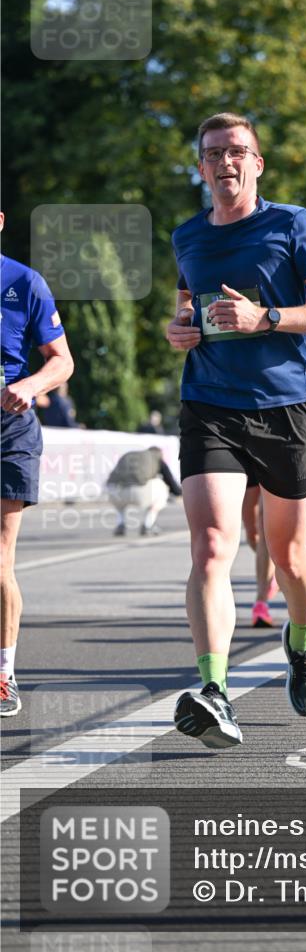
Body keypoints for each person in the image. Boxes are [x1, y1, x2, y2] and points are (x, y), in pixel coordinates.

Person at [166, 112, 306, 749]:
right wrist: (178, 330)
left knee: (288, 556)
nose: (226, 161)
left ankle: (300, 640)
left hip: (285, 406)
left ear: (257, 163)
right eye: (213, 152)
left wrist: (265, 317)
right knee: (211, 546)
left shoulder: (291, 224)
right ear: (201, 167)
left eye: (237, 151)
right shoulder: (187, 235)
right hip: (209, 403)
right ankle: (215, 691)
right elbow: (185, 306)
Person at [1, 211, 74, 716]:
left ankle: (3, 675)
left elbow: (62, 360)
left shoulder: (24, 282)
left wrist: (30, 385)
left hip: (8, 429)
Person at [244, 335, 306, 629]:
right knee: (252, 531)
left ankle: (261, 601)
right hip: (238, 427)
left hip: (280, 429)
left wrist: (303, 394)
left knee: (266, 521)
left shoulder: (301, 339)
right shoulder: (237, 329)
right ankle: (273, 570)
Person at [106, 446, 182, 536]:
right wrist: (180, 493)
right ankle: (148, 525)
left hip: (114, 492)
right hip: (138, 492)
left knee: (118, 497)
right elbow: (169, 479)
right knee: (161, 485)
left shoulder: (129, 455)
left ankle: (121, 523)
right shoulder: (156, 457)